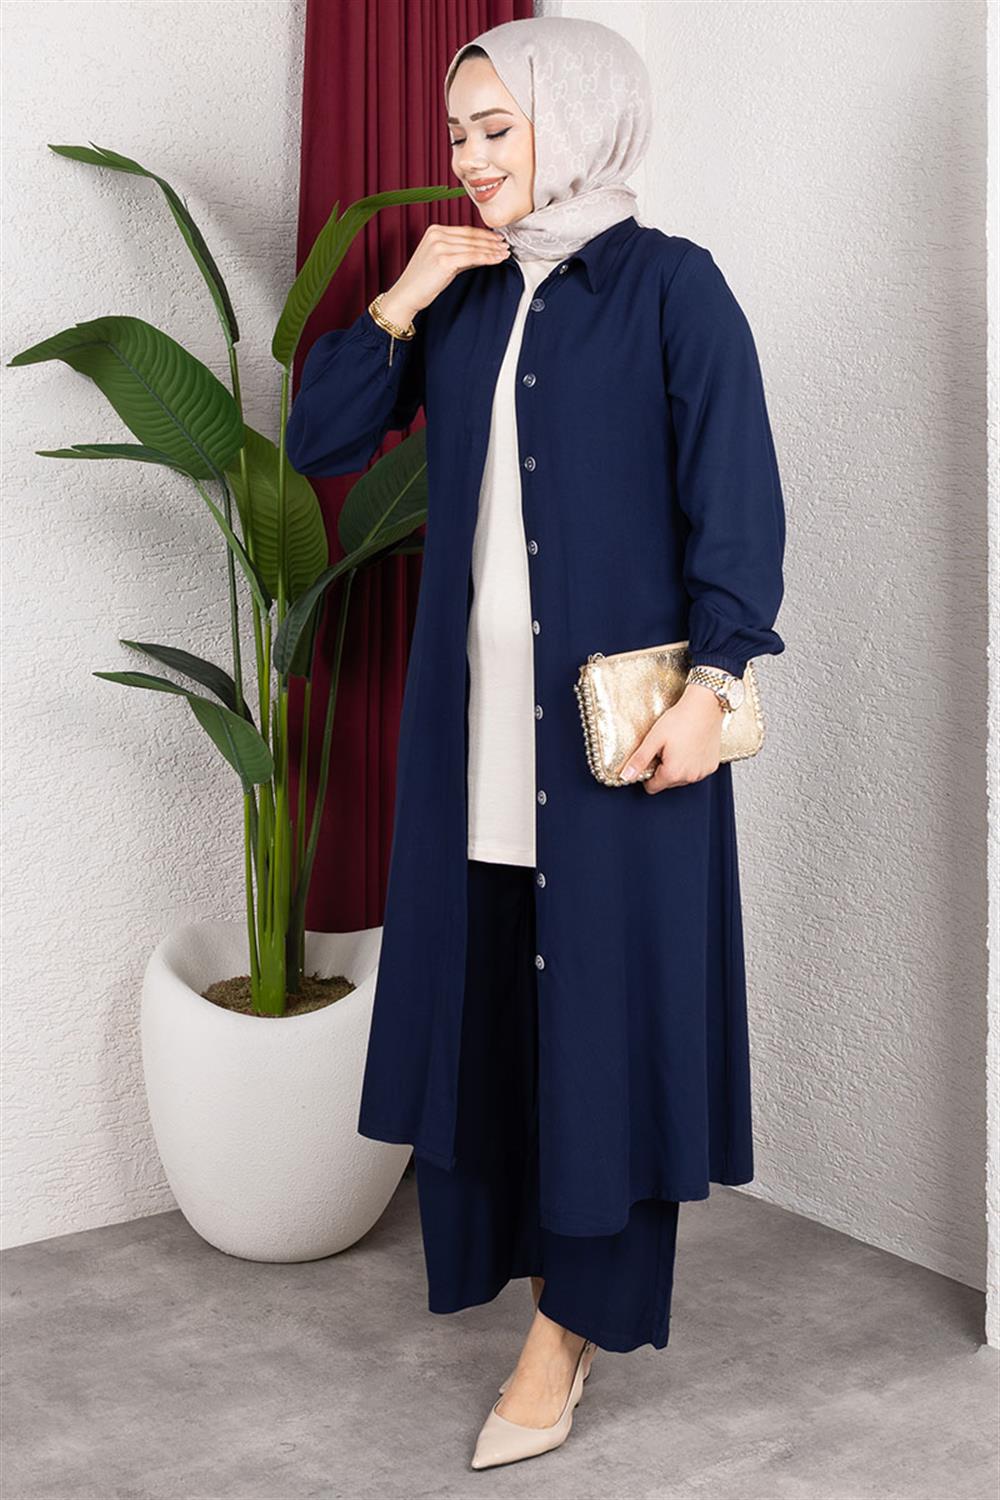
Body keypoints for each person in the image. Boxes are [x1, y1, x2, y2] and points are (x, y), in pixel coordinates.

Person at [286, 14, 787, 1473]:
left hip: (619, 754)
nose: (470, 158)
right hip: (473, 750)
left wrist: (716, 685)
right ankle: (524, 1286)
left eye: (497, 129)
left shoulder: (675, 290)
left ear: (576, 124)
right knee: (498, 1019)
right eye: (457, 134)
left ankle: (564, 1341)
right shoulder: (462, 299)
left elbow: (739, 510)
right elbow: (320, 444)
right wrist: (398, 301)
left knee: (611, 1039)